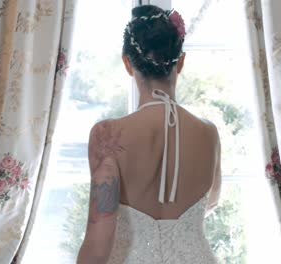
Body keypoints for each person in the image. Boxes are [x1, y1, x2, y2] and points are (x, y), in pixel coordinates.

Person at [76, 5, 221, 264]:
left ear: (127, 63)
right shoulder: (209, 134)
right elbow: (211, 202)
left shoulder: (107, 135)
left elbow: (98, 242)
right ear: (181, 61)